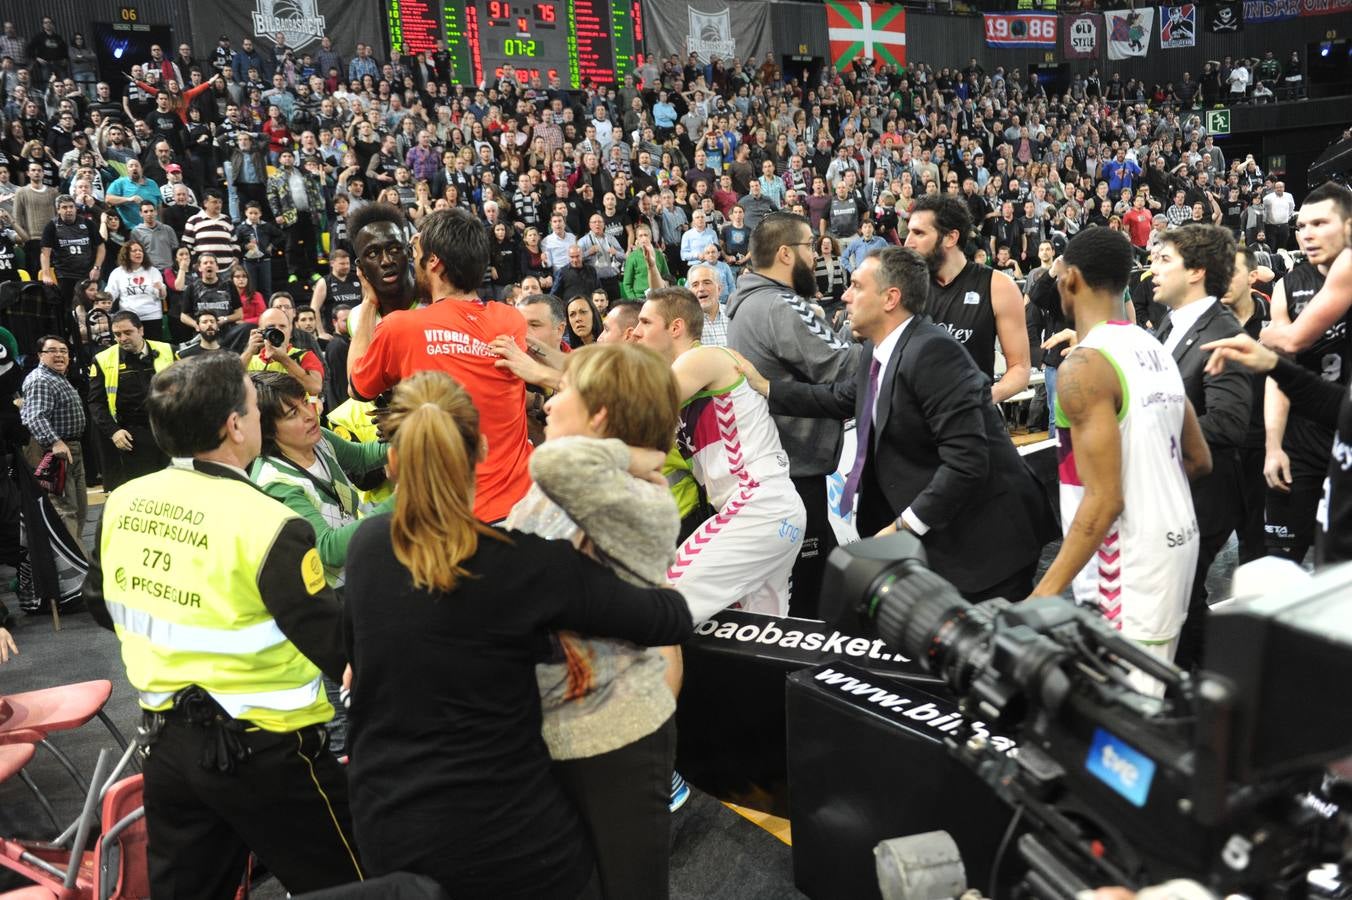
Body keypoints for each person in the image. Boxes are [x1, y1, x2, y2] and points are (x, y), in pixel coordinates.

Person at [343, 370, 692, 897]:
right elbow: (667, 616)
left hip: (385, 832)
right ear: (482, 449)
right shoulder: (523, 566)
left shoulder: (368, 547)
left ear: (392, 461)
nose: (551, 404)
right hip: (511, 840)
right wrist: (630, 473)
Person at [82, 352, 362, 897]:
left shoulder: (125, 501)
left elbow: (101, 602)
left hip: (166, 744)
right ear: (234, 425)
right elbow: (333, 642)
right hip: (270, 753)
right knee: (358, 883)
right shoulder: (267, 521)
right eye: (256, 409)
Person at [745, 248, 1055, 602]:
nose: (845, 296)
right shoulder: (876, 353)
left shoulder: (933, 352)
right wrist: (766, 387)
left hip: (984, 546)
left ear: (891, 298)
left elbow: (967, 461)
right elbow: (840, 398)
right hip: (943, 541)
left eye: (857, 286)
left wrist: (901, 528)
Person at [504, 342, 686, 897]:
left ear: (600, 415)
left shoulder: (640, 496)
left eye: (562, 393)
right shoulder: (556, 488)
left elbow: (554, 460)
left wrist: (627, 455)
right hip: (552, 731)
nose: (548, 405)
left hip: (616, 739)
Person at [1033, 229, 1212, 689]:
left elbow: (1105, 500)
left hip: (1130, 562)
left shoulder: (1084, 365)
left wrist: (1042, 595)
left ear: (1070, 279)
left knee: (1131, 717)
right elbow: (1198, 459)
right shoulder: (1155, 345)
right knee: (1153, 688)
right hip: (1175, 541)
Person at [349, 208, 532, 524]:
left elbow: (358, 387)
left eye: (415, 252)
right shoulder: (510, 320)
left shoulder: (401, 328)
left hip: (453, 520)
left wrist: (368, 302)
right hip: (522, 509)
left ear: (433, 262)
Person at [634, 287, 806, 621]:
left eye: (644, 322)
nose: (636, 332)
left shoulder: (702, 358)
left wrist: (547, 377)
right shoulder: (689, 373)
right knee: (757, 639)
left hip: (756, 506)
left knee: (662, 603)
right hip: (769, 510)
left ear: (675, 327)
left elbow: (634, 407)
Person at [727, 212, 861, 618]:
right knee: (812, 594)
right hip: (796, 467)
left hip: (778, 463)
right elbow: (846, 367)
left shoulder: (747, 303)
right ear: (785, 254)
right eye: (809, 247)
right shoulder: (780, 305)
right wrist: (884, 335)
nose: (817, 256)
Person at [1150, 224, 1250, 669]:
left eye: (1164, 259)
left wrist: (1149, 433)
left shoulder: (1223, 331)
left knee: (1180, 606)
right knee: (1178, 606)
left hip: (1200, 498)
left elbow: (1227, 423)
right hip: (1170, 492)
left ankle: (1220, 693)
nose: (1152, 268)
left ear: (1197, 271)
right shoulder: (1170, 322)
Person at [1254, 183, 1352, 563]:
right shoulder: (1288, 285)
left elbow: (1286, 342)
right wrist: (1273, 445)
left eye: (1320, 223)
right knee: (1281, 560)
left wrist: (1265, 335)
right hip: (1303, 438)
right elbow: (1280, 372)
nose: (1307, 234)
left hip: (1345, 430)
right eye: (1301, 226)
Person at [904, 195, 1031, 403]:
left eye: (918, 233)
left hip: (973, 424)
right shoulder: (904, 288)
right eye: (909, 232)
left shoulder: (998, 286)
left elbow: (1020, 368)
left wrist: (981, 401)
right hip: (916, 423)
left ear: (950, 238)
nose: (908, 242)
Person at [1220, 245, 1271, 564]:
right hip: (1220, 441)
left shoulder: (1270, 313)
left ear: (1251, 277)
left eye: (1231, 270)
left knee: (1255, 531)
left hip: (1260, 437)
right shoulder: (1210, 318)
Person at [87, 311, 176, 491]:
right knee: (145, 492)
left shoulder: (169, 351)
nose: (122, 338)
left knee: (174, 489)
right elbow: (96, 403)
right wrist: (114, 432)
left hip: (169, 432)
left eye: (128, 332)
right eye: (117, 334)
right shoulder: (104, 360)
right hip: (133, 435)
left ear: (141, 330)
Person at [20, 334, 87, 542]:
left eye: (63, 351)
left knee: (78, 507)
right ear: (41, 355)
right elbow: (34, 416)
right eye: (52, 351)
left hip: (70, 448)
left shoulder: (57, 377)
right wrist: (55, 442)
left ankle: (78, 560)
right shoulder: (41, 379)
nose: (59, 355)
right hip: (55, 450)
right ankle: (72, 567)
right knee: (65, 510)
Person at [242, 307, 324, 397]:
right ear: (260, 332)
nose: (278, 330)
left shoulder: (305, 356)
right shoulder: (251, 359)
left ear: (290, 332)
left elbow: (315, 388)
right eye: (271, 327)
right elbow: (228, 384)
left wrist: (284, 359)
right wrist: (249, 352)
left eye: (282, 326)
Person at [105, 240, 167, 325]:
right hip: (128, 318)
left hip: (152, 317)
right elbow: (111, 292)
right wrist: (106, 299)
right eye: (134, 251)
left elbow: (162, 296)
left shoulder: (153, 271)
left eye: (140, 251)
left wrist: (160, 289)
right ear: (126, 254)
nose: (138, 253)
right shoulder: (117, 272)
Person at [621, 223, 669, 299]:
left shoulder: (659, 254)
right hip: (640, 297)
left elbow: (667, 276)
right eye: (640, 235)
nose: (644, 238)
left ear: (650, 237)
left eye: (646, 235)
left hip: (658, 295)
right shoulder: (632, 257)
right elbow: (627, 284)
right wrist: (634, 300)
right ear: (637, 238)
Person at [687, 264, 728, 348]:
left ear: (719, 289)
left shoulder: (733, 316)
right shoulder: (685, 321)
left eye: (707, 283)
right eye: (695, 285)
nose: (701, 289)